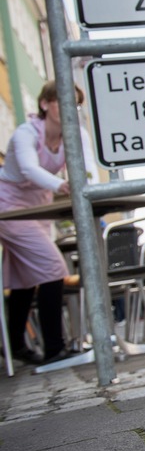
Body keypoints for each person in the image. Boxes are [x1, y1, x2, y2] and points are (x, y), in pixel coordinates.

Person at [0, 81, 85, 365]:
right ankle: (54, 349)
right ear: (45, 104)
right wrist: (62, 185)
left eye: (73, 102)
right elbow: (28, 168)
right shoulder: (27, 132)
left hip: (38, 208)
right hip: (9, 206)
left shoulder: (72, 136)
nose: (68, 107)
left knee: (24, 277)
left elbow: (86, 168)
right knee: (51, 267)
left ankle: (13, 346)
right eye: (62, 100)